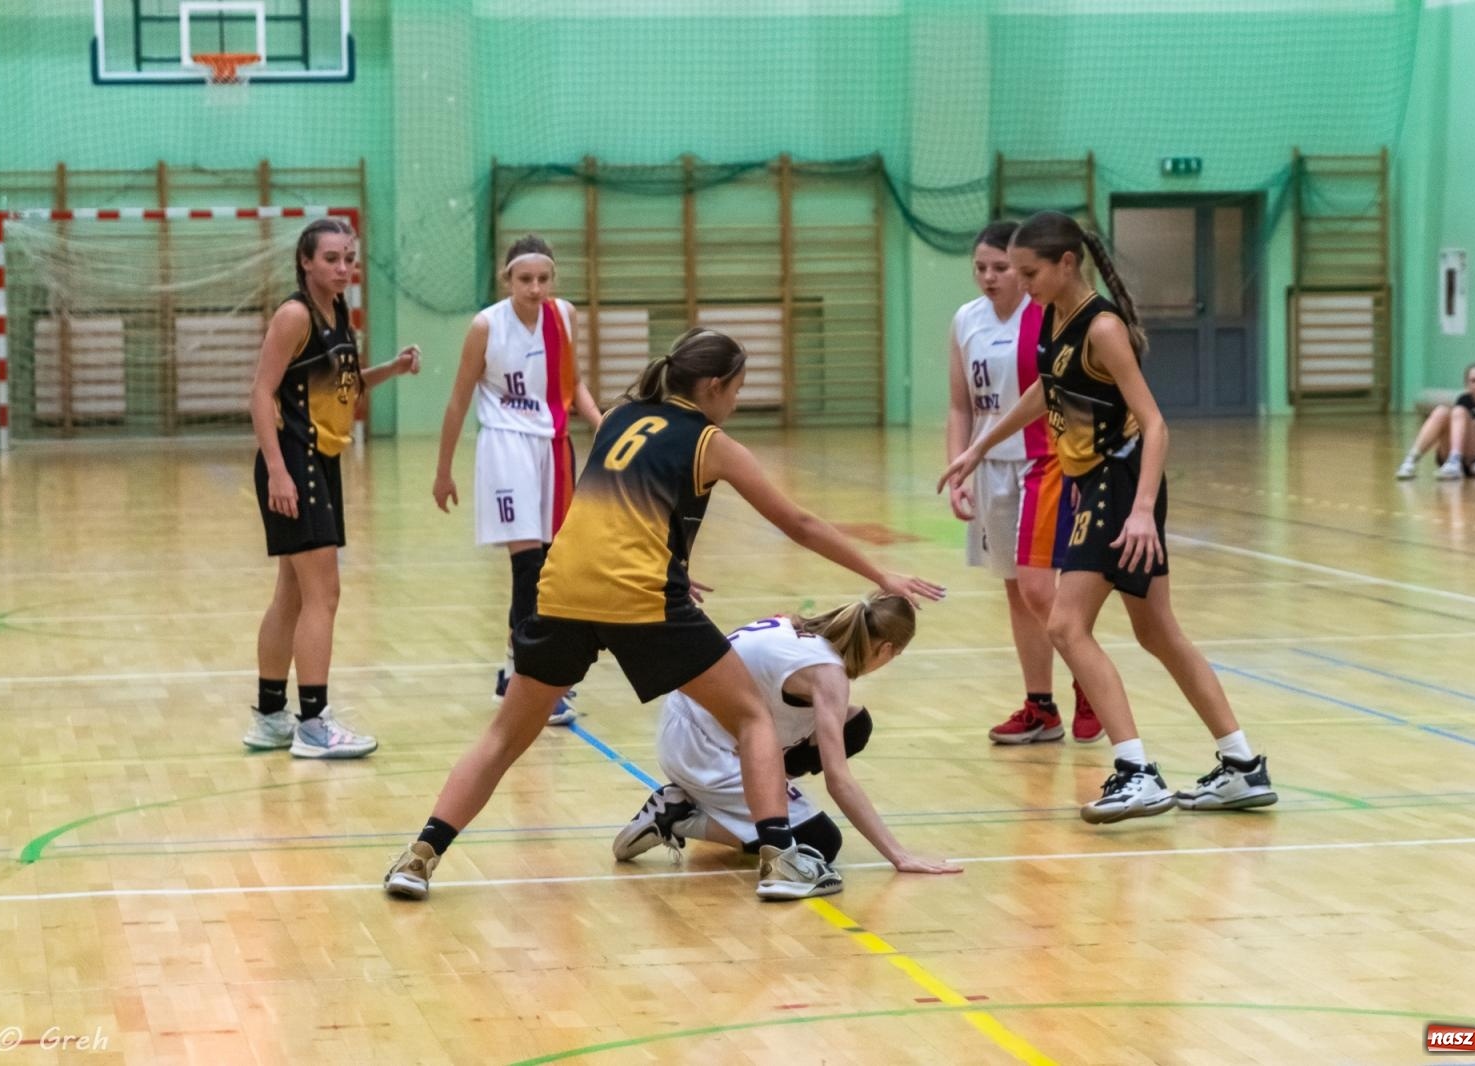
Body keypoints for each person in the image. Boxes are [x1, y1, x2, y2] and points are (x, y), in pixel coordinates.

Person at [385, 328, 944, 901]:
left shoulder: (617, 418)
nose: (736, 403)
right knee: (751, 717)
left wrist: (669, 564)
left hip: (563, 586)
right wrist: (882, 576)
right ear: (712, 386)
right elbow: (797, 523)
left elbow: (617, 515)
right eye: (736, 390)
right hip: (639, 597)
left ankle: (419, 857)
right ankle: (780, 860)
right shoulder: (710, 441)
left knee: (504, 738)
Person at [939, 211, 1277, 824]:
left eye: (1029, 272)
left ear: (1067, 264)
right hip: (1095, 486)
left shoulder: (1102, 327)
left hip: (1117, 487)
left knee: (1067, 626)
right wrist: (979, 446)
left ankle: (1135, 771)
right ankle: (1241, 765)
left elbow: (1155, 425)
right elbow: (1047, 391)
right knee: (1157, 633)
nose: (1020, 283)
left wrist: (1143, 510)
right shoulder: (1052, 317)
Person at [613, 597, 961, 878]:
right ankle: (680, 817)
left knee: (854, 725)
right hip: (701, 748)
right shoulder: (828, 676)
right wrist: (898, 855)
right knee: (820, 842)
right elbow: (838, 781)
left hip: (690, 721)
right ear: (885, 649)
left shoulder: (795, 626)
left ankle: (731, 801)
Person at [243, 217, 422, 758]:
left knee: (292, 594)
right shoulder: (295, 314)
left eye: (349, 258)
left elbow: (340, 385)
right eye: (331, 258)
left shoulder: (338, 313)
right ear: (305, 261)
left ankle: (271, 715)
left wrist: (388, 369)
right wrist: (277, 469)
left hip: (319, 460)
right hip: (295, 461)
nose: (343, 267)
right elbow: (260, 393)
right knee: (326, 594)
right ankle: (314, 723)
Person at [431, 236, 602, 725]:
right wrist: (443, 470)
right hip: (505, 446)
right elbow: (459, 400)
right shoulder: (486, 326)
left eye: (543, 279)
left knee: (553, 565)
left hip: (554, 447)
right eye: (525, 279)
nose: (535, 288)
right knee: (528, 566)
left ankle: (515, 673)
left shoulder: (564, 316)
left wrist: (598, 418)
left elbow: (574, 383)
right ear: (508, 280)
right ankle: (525, 680)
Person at [947, 220, 1100, 746]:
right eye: (980, 268)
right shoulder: (966, 319)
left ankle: (1088, 680)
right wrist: (960, 465)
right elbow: (959, 404)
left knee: (1039, 588)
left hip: (1045, 461)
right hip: (989, 466)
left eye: (1001, 267)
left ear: (1024, 267)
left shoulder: (1049, 316)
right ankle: (1041, 707)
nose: (989, 277)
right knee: (1017, 591)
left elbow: (1060, 394)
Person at [1395, 363, 1475, 480]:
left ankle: (1455, 462)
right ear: (1467, 385)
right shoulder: (1464, 400)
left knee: (1458, 411)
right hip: (1457, 455)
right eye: (1474, 381)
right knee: (1441, 411)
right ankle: (1411, 460)